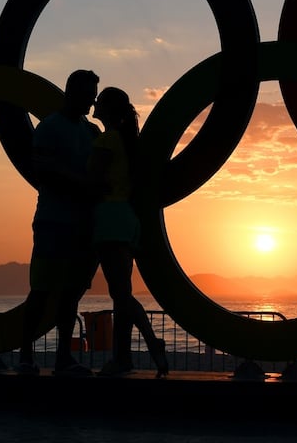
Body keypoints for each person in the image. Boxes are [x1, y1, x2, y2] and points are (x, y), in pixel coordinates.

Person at [16, 69, 103, 377]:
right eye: (88, 94)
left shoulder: (92, 132)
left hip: (83, 226)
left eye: (94, 96)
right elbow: (43, 173)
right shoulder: (50, 127)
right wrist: (83, 183)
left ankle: (63, 358)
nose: (92, 102)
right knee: (40, 291)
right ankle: (26, 355)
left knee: (70, 295)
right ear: (72, 91)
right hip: (53, 222)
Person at [87, 87, 169, 378]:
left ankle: (150, 340)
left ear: (106, 110)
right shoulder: (128, 142)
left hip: (109, 219)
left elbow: (92, 180)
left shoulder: (107, 139)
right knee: (121, 293)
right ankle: (121, 359)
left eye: (99, 102)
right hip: (126, 218)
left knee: (119, 294)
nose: (94, 104)